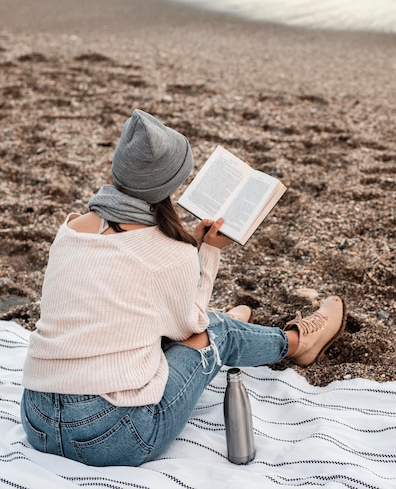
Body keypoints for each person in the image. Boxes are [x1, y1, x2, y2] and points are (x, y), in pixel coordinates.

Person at [20, 108, 347, 467]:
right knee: (216, 330)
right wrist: (207, 251)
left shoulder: (72, 230)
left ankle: (245, 329)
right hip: (115, 434)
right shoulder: (168, 253)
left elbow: (122, 280)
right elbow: (192, 325)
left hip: (38, 420)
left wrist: (188, 244)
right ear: (169, 185)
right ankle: (299, 343)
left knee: (180, 321)